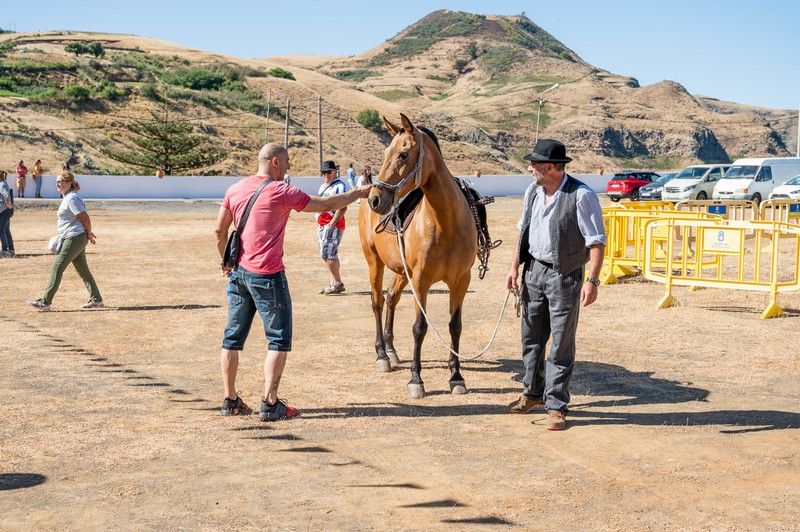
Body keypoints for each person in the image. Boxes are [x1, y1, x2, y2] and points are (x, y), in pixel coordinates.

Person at [214, 143, 369, 420]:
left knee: (232, 338)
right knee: (278, 339)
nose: (288, 168)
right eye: (285, 162)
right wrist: (359, 193)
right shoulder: (282, 191)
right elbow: (326, 204)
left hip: (238, 274)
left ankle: (230, 399)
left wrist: (226, 263)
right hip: (268, 275)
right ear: (275, 161)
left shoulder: (235, 189)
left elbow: (220, 229)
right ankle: (271, 403)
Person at [505, 139, 606, 431]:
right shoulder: (532, 192)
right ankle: (532, 393)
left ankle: (557, 405)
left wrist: (593, 281)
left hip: (565, 276)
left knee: (561, 343)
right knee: (531, 338)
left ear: (550, 167)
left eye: (534, 164)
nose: (529, 168)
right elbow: (523, 230)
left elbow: (596, 241)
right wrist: (514, 266)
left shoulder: (581, 195)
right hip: (533, 272)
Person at [27, 172, 103, 312]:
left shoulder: (72, 198)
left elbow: (85, 218)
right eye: (57, 181)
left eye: (61, 181)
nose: (58, 183)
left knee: (57, 267)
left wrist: (89, 232)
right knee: (83, 270)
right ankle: (96, 299)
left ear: (70, 183)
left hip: (74, 237)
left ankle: (45, 302)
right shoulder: (67, 197)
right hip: (75, 236)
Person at [316, 160, 350, 295]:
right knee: (331, 253)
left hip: (332, 225)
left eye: (329, 172)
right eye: (323, 172)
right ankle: (333, 282)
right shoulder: (323, 186)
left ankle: (337, 283)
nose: (326, 175)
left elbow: (342, 208)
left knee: (326, 253)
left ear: (335, 172)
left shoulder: (340, 186)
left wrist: (331, 225)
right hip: (323, 224)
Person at [0, 171, 14, 258]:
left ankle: (4, 251)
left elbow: (6, 195)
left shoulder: (1, 184)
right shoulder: (3, 183)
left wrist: (9, 205)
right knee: (6, 230)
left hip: (4, 210)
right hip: (6, 210)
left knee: (1, 230)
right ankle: (11, 250)